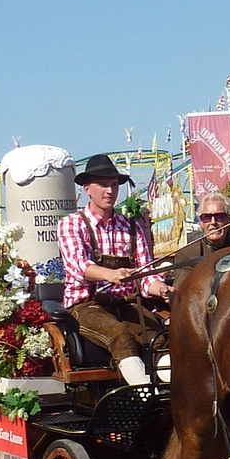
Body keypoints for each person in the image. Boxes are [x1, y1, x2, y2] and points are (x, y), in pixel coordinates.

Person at [57, 153, 171, 386]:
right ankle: (144, 395)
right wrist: (111, 274)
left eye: (114, 185)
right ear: (87, 188)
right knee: (121, 336)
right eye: (103, 185)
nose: (110, 191)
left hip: (127, 303)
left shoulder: (132, 226)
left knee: (161, 338)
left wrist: (163, 289)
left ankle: (171, 396)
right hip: (87, 306)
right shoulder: (72, 224)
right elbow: (78, 266)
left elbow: (147, 275)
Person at [171, 191, 230, 282]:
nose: (213, 222)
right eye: (207, 217)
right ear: (201, 223)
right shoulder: (187, 254)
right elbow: (182, 293)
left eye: (219, 217)